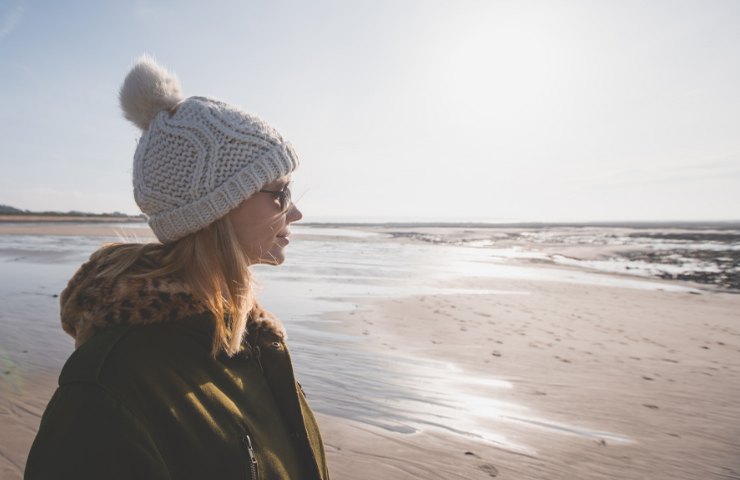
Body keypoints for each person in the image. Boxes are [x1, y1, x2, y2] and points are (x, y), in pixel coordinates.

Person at [24, 55, 330, 480]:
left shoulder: (251, 344)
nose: (294, 212)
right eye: (279, 191)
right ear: (216, 207)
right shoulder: (106, 391)